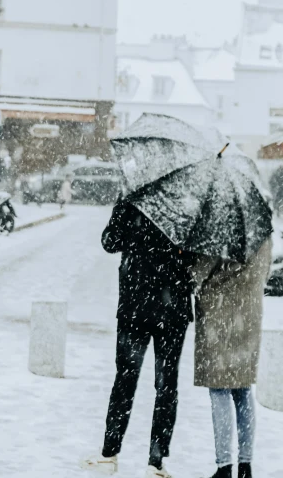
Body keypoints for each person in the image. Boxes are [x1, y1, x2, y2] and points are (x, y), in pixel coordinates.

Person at [82, 200, 194, 478]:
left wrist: (125, 217)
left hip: (136, 303)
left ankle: (110, 452)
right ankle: (155, 463)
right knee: (166, 384)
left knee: (125, 379)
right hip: (173, 307)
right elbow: (194, 256)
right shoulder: (186, 202)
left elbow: (110, 241)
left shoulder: (134, 198)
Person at [193, 238, 272, 478]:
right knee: (243, 388)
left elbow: (201, 269)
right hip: (248, 311)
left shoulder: (219, 223)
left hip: (219, 313)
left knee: (219, 388)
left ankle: (224, 466)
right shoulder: (260, 225)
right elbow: (265, 271)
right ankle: (245, 465)